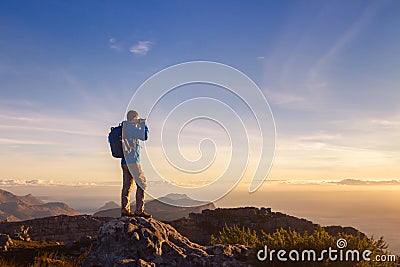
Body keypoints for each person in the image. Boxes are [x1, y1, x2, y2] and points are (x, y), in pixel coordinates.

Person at [120, 110, 151, 218]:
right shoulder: (131, 127)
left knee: (127, 186)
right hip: (133, 161)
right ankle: (139, 210)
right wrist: (143, 124)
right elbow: (144, 136)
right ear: (134, 118)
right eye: (137, 119)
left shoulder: (124, 127)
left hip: (124, 162)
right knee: (142, 184)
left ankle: (125, 210)